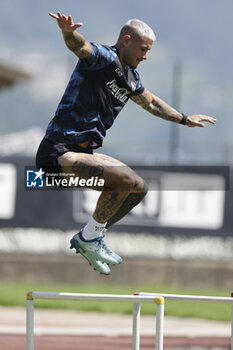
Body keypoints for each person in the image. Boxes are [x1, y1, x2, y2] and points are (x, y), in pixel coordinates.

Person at [36, 12, 216, 275]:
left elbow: (152, 103)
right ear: (126, 40)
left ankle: (91, 236)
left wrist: (185, 118)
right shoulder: (103, 58)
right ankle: (89, 238)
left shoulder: (131, 79)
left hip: (83, 154)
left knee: (139, 188)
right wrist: (67, 32)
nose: (146, 56)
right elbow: (80, 46)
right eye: (143, 49)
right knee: (123, 179)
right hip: (56, 154)